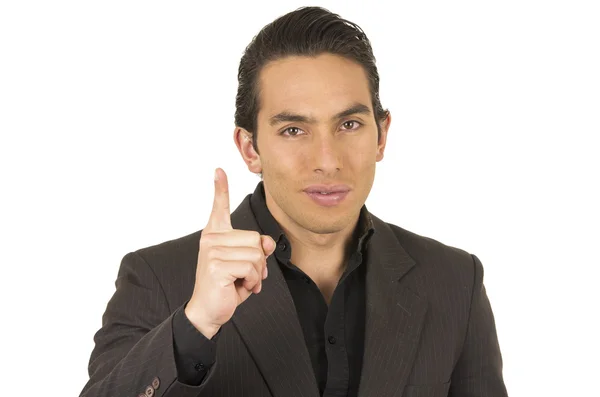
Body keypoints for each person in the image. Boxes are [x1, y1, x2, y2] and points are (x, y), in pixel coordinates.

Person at [79, 6, 508, 397]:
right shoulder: (159, 277)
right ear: (250, 148)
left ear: (382, 135)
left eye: (350, 124)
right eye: (293, 130)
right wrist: (195, 324)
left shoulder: (454, 280)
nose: (327, 161)